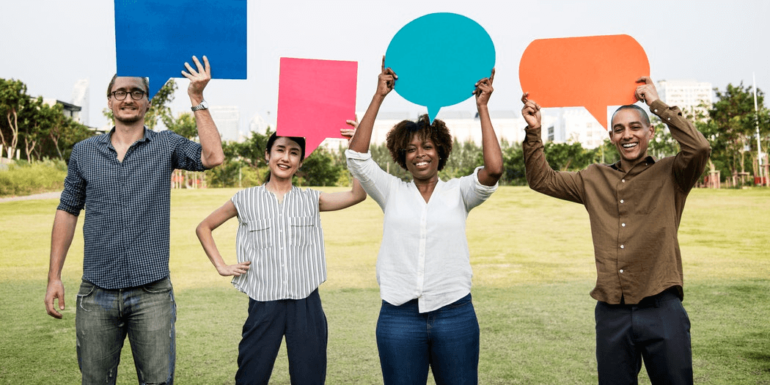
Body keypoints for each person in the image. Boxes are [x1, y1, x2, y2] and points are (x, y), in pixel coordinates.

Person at [44, 56, 224, 384]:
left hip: (152, 293)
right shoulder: (83, 152)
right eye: (120, 92)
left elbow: (213, 157)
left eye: (137, 92)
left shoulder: (166, 145)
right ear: (110, 100)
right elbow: (67, 211)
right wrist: (54, 276)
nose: (128, 98)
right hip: (96, 292)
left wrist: (197, 98)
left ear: (148, 102)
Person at [521, 77, 710, 384]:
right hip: (612, 313)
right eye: (619, 129)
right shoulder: (592, 178)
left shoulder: (672, 172)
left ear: (650, 132)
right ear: (611, 137)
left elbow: (699, 147)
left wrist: (656, 104)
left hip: (662, 307)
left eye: (636, 126)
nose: (628, 135)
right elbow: (541, 180)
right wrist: (533, 130)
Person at [346, 57, 503, 384]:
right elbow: (357, 157)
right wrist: (379, 95)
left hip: (455, 314)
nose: (420, 154)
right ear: (402, 157)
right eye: (411, 149)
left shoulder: (459, 192)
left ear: (440, 151)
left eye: (428, 146)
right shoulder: (390, 191)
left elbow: (494, 169)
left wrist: (483, 107)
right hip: (398, 317)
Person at [196, 129, 366, 384]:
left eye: (294, 153)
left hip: (306, 304)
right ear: (268, 155)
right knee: (251, 377)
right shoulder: (245, 199)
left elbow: (357, 195)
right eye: (280, 150)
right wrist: (221, 265)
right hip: (264, 304)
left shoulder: (311, 199)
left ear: (300, 161)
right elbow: (204, 227)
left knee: (309, 378)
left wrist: (355, 150)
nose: (286, 157)